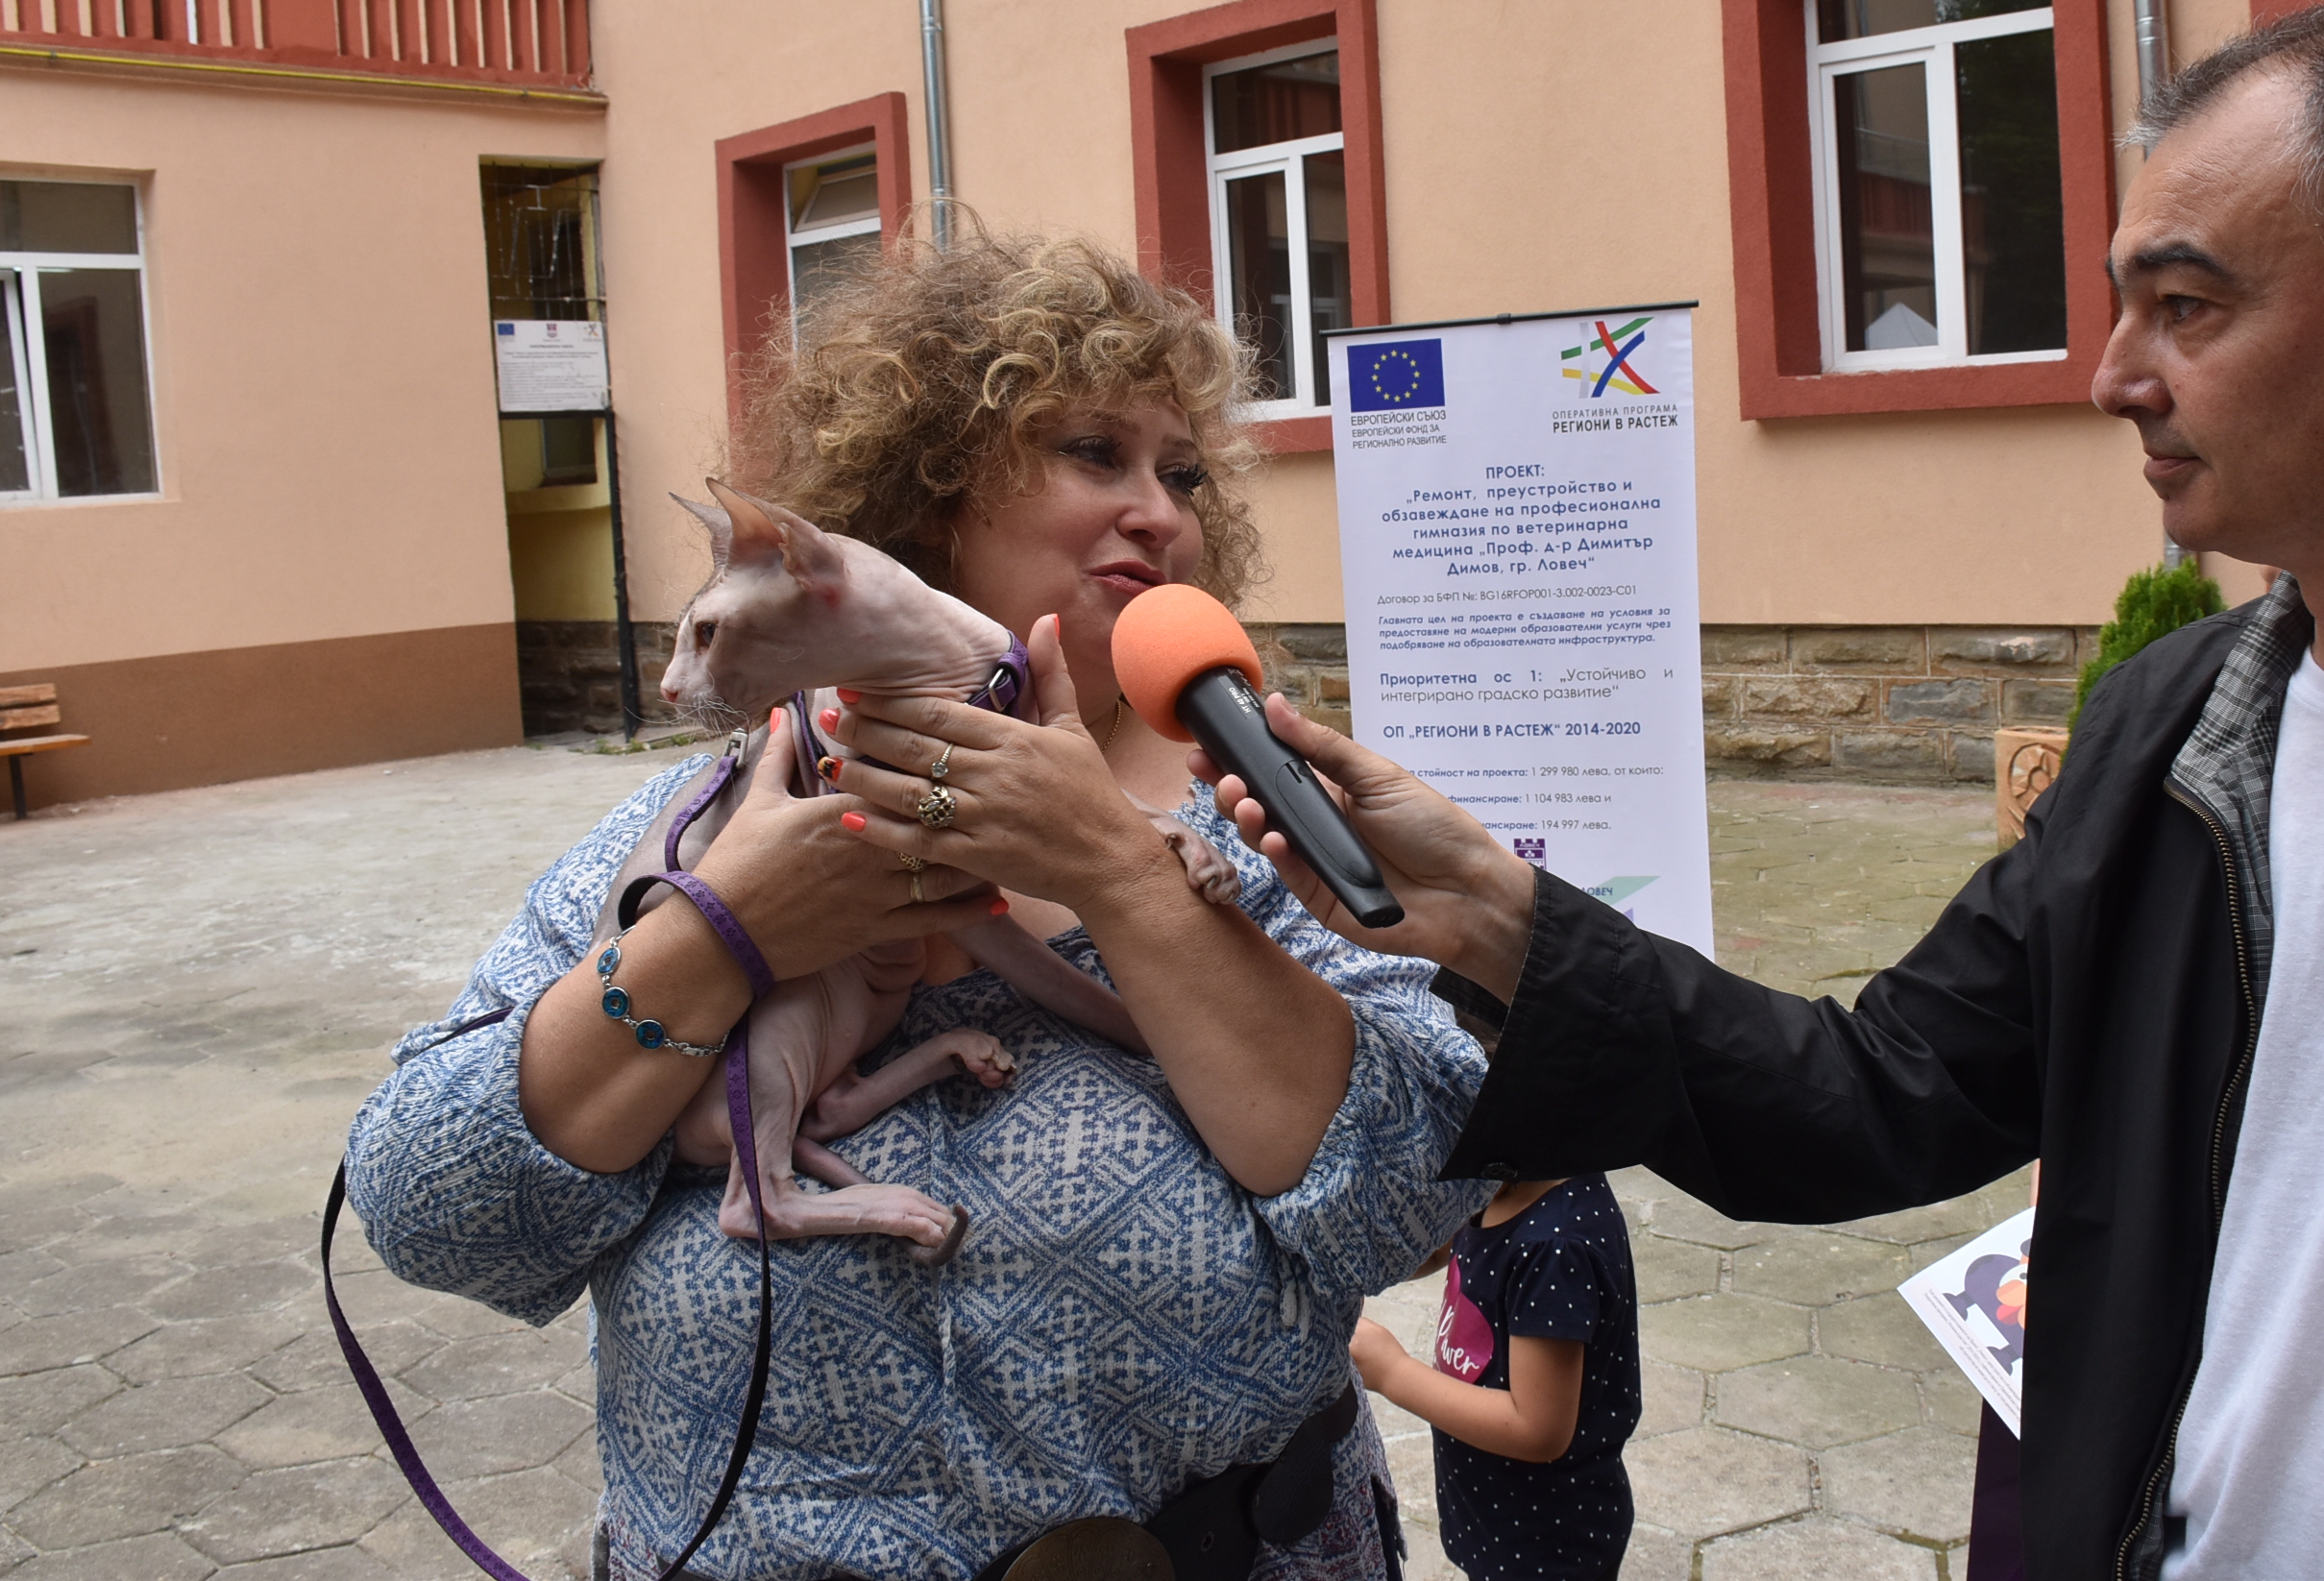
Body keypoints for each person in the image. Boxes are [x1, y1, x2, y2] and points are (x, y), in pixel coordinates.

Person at [1201, 0, 2324, 1577]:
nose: (2114, 372)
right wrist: (1497, 913)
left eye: (2188, 307)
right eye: (2123, 304)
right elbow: (1878, 1094)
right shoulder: (2170, 731)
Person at [348, 229, 1489, 1581]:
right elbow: (435, 1213)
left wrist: (1121, 874)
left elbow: (1425, 1202)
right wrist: (721, 935)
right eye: (1094, 453)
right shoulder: (700, 827)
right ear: (931, 493)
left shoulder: (1259, 835)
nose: (1161, 513)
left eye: (1183, 474)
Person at [1348, 1174, 1640, 1581]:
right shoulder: (1501, 1183)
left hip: (1545, 1547)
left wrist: (1393, 1370)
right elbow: (1437, 1244)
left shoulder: (1554, 1246)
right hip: (1497, 1520)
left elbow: (1536, 1427)